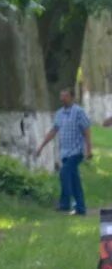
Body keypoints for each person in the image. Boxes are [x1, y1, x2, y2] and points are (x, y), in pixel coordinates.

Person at [35, 88, 92, 216]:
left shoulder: (79, 112)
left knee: (64, 173)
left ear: (72, 97)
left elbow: (87, 130)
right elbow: (53, 131)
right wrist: (41, 146)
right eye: (61, 96)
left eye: (65, 96)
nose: (62, 99)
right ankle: (80, 208)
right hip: (65, 153)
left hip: (76, 152)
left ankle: (65, 204)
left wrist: (89, 149)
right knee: (74, 180)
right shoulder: (59, 113)